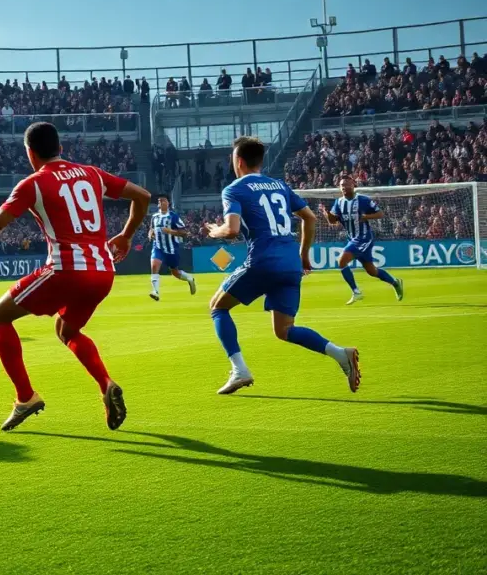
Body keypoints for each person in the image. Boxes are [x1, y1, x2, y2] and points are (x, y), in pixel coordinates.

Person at [0, 121, 151, 431]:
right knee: (67, 330)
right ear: (61, 148)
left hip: (66, 270)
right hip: (103, 272)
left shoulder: (33, 183)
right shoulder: (92, 173)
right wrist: (126, 235)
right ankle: (106, 384)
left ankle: (26, 397)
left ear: (30, 153)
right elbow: (142, 195)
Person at [204, 136, 360, 396]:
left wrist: (214, 231)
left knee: (217, 308)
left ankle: (239, 369)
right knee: (284, 330)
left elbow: (231, 230)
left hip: (263, 260)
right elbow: (309, 217)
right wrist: (303, 255)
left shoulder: (234, 189)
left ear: (238, 161)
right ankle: (341, 355)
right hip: (290, 263)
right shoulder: (279, 185)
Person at [319, 174, 404, 305]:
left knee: (341, 261)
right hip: (352, 238)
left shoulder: (363, 200)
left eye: (347, 184)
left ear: (354, 185)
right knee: (372, 271)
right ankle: (395, 282)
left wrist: (365, 217)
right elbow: (333, 221)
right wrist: (326, 213)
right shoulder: (339, 202)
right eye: (342, 185)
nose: (344, 187)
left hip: (364, 238)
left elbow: (380, 213)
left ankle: (356, 292)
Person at [147, 195, 196, 301]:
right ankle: (155, 291)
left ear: (168, 203)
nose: (160, 203)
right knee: (154, 267)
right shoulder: (155, 216)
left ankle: (189, 278)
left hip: (171, 249)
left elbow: (184, 233)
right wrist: (150, 234)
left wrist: (170, 231)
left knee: (175, 273)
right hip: (158, 247)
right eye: (159, 201)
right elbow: (151, 229)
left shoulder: (174, 216)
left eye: (163, 201)